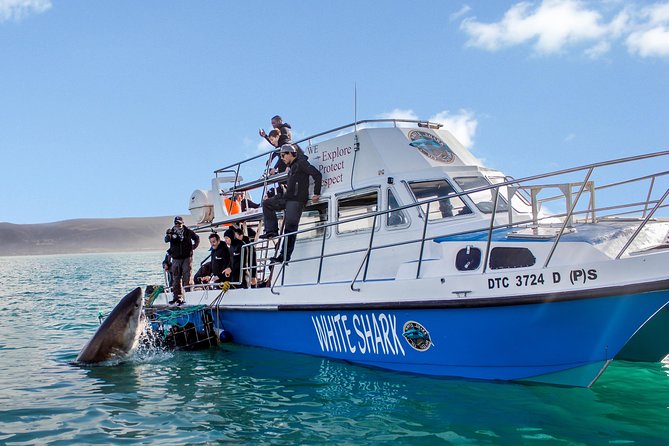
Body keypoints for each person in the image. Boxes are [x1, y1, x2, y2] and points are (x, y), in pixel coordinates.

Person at [260, 144, 322, 263]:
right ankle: (271, 231)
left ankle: (283, 257)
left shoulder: (301, 163)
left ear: (290, 154)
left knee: (290, 228)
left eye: (283, 155)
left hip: (296, 200)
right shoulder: (292, 166)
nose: (282, 158)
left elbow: (317, 174)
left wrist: (316, 193)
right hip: (288, 197)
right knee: (267, 203)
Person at [164, 216, 200, 305]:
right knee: (176, 278)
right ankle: (177, 298)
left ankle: (188, 296)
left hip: (187, 258)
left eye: (179, 223)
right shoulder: (171, 233)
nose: (178, 225)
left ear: (182, 223)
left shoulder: (188, 231)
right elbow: (166, 240)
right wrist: (168, 235)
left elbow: (197, 238)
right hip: (176, 258)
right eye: (176, 223)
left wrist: (193, 247)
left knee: (187, 277)